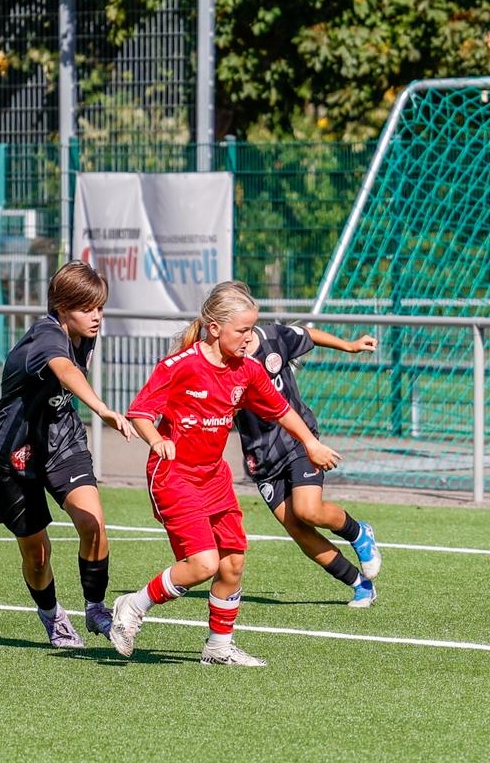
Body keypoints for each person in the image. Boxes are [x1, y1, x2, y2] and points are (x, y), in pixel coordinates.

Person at [107, 282, 341, 666]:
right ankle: (132, 605)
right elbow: (141, 412)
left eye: (252, 329)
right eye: (243, 330)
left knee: (233, 562)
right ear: (214, 328)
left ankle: (218, 648)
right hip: (175, 475)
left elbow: (282, 409)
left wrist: (311, 444)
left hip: (214, 476)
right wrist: (157, 439)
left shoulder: (247, 369)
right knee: (204, 564)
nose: (250, 338)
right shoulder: (180, 366)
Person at [0, 260, 137, 648]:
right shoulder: (46, 336)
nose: (96, 316)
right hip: (15, 453)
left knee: (93, 523)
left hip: (62, 439)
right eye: (87, 308)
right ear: (61, 307)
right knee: (37, 555)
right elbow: (65, 370)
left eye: (100, 307)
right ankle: (52, 616)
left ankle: (96, 608)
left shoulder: (84, 332)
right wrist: (102, 409)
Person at [238, 321, 382, 608]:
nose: (244, 334)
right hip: (262, 456)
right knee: (298, 529)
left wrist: (349, 345)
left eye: (247, 326)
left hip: (299, 441)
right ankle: (360, 584)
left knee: (308, 510)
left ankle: (358, 532)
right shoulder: (217, 360)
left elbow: (307, 334)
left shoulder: (271, 337)